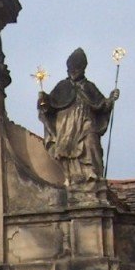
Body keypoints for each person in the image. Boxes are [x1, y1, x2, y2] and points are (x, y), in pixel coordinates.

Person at [36, 48, 119, 185]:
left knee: (91, 141)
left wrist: (111, 99)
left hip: (86, 122)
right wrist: (43, 101)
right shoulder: (62, 86)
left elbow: (102, 105)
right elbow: (49, 106)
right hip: (66, 127)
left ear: (83, 69)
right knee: (65, 150)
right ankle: (71, 177)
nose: (73, 72)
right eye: (71, 69)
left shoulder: (89, 87)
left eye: (76, 69)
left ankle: (92, 174)